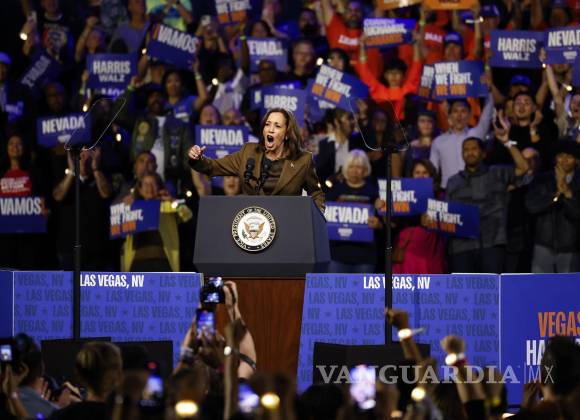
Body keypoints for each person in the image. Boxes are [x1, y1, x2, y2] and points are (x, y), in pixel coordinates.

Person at [188, 108, 325, 211]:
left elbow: (316, 193)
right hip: (252, 224)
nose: (270, 130)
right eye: (268, 124)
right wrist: (197, 159)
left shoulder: (303, 160)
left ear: (287, 134)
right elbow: (213, 167)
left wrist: (315, 218)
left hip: (286, 223)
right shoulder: (248, 152)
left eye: (277, 126)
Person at [446, 121, 529, 273]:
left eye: (474, 149)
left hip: (492, 243)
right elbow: (446, 214)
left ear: (483, 153)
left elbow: (523, 167)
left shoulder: (497, 173)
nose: (469, 153)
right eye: (466, 150)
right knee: (464, 287)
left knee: (492, 286)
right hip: (461, 246)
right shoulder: (453, 182)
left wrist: (507, 142)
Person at [525, 141, 580, 273]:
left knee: (568, 285)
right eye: (561, 156)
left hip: (571, 247)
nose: (564, 160)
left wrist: (567, 191)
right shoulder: (541, 179)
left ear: (577, 160)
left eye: (569, 156)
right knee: (541, 284)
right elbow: (531, 206)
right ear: (555, 158)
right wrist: (556, 194)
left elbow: (577, 213)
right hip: (543, 244)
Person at [122, 171, 191, 272]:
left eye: (153, 184)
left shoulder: (168, 206)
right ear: (139, 189)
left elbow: (187, 215)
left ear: (159, 187)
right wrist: (125, 208)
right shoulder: (131, 208)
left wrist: (172, 200)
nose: (149, 188)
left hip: (163, 263)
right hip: (137, 264)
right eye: (146, 184)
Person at [326, 149, 378, 273]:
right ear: (345, 169)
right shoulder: (335, 190)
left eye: (358, 167)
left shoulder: (374, 191)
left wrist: (378, 223)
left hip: (365, 255)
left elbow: (384, 222)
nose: (354, 171)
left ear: (365, 170)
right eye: (351, 167)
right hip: (337, 254)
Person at [392, 159, 446, 274]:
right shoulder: (402, 194)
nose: (421, 176)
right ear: (411, 175)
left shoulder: (440, 194)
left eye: (425, 172)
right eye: (417, 172)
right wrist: (382, 206)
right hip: (409, 244)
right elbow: (394, 220)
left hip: (432, 245)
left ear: (431, 175)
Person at [430, 96, 494, 189]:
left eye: (463, 111)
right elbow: (432, 171)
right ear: (449, 115)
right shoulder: (438, 142)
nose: (459, 115)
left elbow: (488, 112)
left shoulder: (476, 134)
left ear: (469, 114)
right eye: (455, 111)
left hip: (473, 188)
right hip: (447, 190)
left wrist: (489, 91)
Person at [50, 341, 122, 420]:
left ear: (80, 375)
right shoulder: (125, 414)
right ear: (118, 375)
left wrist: (60, 409)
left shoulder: (64, 415)